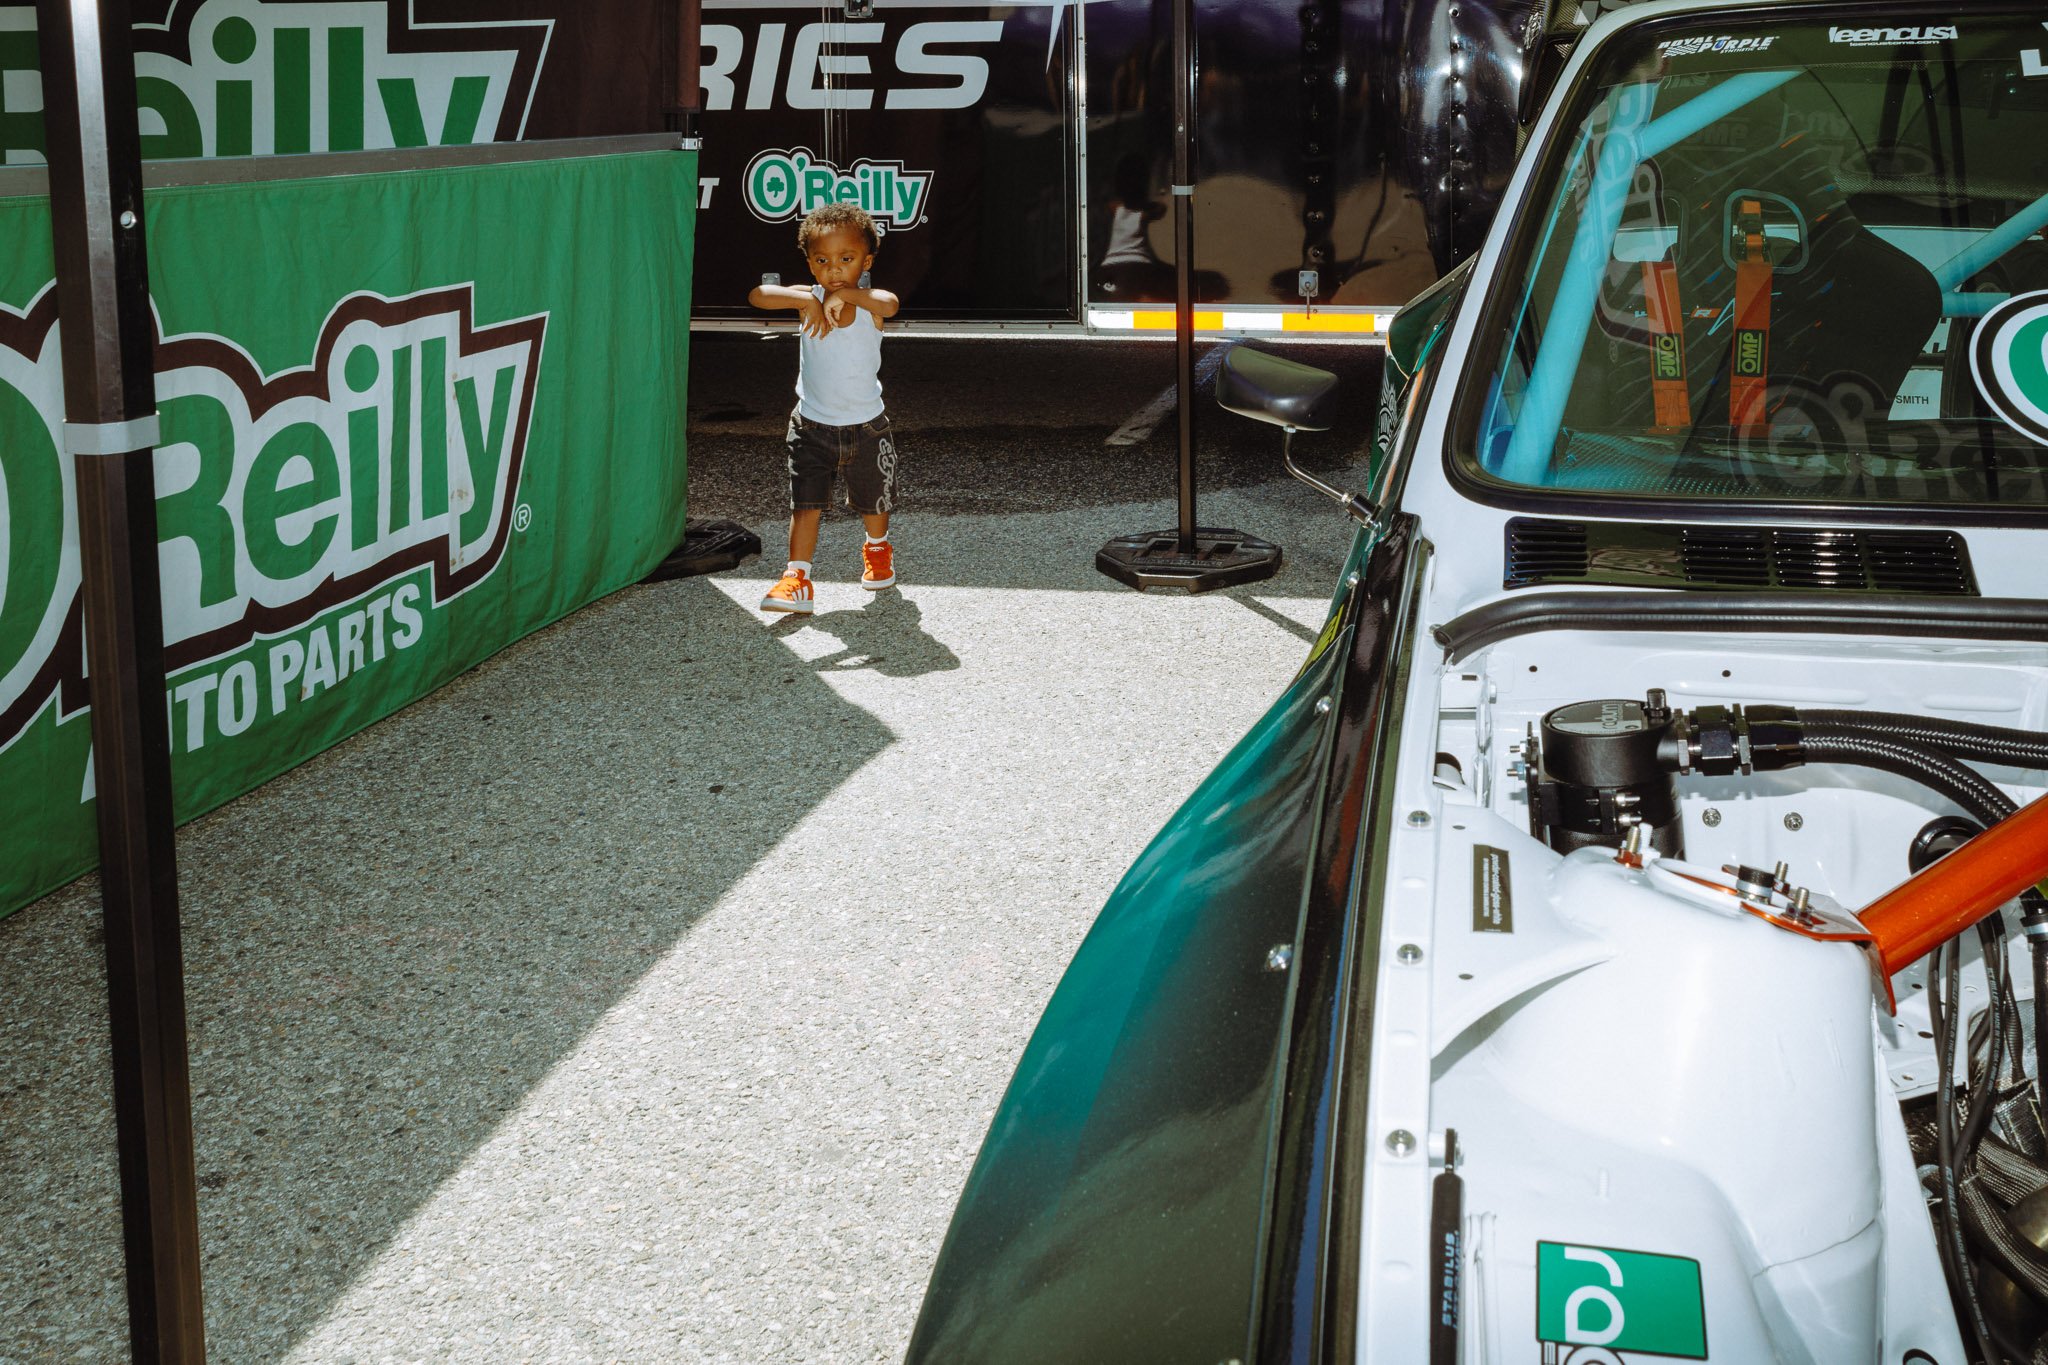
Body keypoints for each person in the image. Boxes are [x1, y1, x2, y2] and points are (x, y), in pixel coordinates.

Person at [747, 203, 902, 615]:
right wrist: (811, 302)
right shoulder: (807, 298)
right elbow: (758, 295)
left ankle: (877, 549)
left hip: (867, 428)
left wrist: (846, 294)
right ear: (811, 264)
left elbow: (890, 303)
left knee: (875, 503)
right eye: (822, 260)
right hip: (811, 427)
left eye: (846, 260)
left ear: (866, 261)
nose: (834, 269)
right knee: (806, 503)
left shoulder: (869, 303)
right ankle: (796, 578)